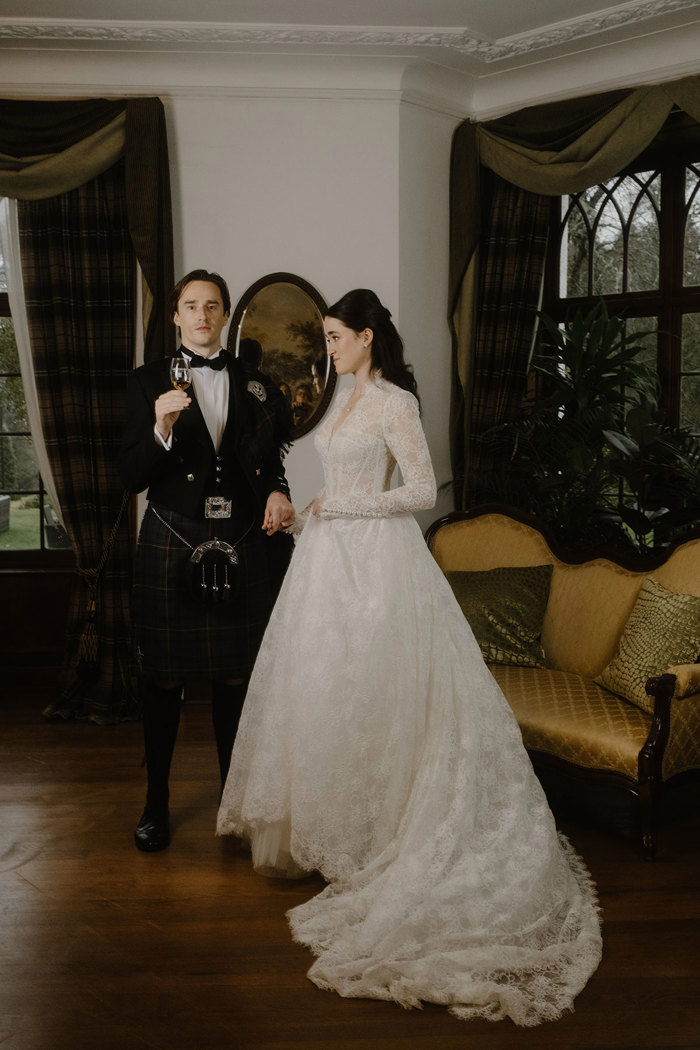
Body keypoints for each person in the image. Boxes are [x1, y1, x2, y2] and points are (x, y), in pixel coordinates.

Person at [217, 289, 602, 1026]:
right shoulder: (343, 397)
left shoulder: (396, 401)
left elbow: (421, 491)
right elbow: (335, 484)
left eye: (336, 337)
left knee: (382, 696)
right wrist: (306, 511)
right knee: (327, 690)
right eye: (326, 338)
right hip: (329, 561)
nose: (328, 349)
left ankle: (384, 835)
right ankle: (328, 833)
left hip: (383, 567)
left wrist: (346, 508)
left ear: (367, 337)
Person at [120, 269, 294, 853]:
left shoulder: (254, 381)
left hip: (241, 537)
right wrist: (161, 429)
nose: (202, 315)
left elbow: (269, 457)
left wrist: (276, 489)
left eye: (212, 306)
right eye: (191, 306)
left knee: (234, 680)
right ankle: (156, 803)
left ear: (225, 315)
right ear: (175, 316)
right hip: (172, 534)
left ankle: (233, 802)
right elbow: (131, 476)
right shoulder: (146, 382)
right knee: (163, 677)